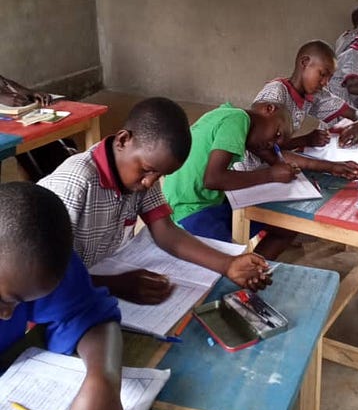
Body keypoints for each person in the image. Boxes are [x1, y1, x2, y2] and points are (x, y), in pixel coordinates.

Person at [39, 97, 272, 304]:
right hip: (49, 294)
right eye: (148, 170)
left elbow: (166, 231)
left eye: (159, 175)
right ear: (123, 140)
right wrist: (114, 285)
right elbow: (44, 274)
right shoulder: (75, 184)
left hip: (92, 276)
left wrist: (228, 264)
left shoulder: (139, 178)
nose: (150, 182)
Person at [0, 181, 133, 410]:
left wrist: (103, 380)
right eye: (4, 299)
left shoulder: (26, 261)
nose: (7, 315)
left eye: (17, 303)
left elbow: (88, 317)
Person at [162, 101, 300, 260]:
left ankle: (253, 271)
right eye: (277, 134)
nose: (271, 144)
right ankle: (244, 275)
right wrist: (271, 175)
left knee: (285, 229)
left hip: (205, 201)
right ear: (268, 109)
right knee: (233, 266)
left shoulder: (226, 113)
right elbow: (213, 179)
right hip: (188, 210)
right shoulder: (238, 120)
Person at [247, 41, 358, 178]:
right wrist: (308, 143)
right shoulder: (275, 94)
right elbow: (264, 148)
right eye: (322, 74)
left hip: (275, 168)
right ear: (304, 62)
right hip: (248, 172)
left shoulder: (315, 95)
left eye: (330, 78)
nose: (325, 83)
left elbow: (356, 113)